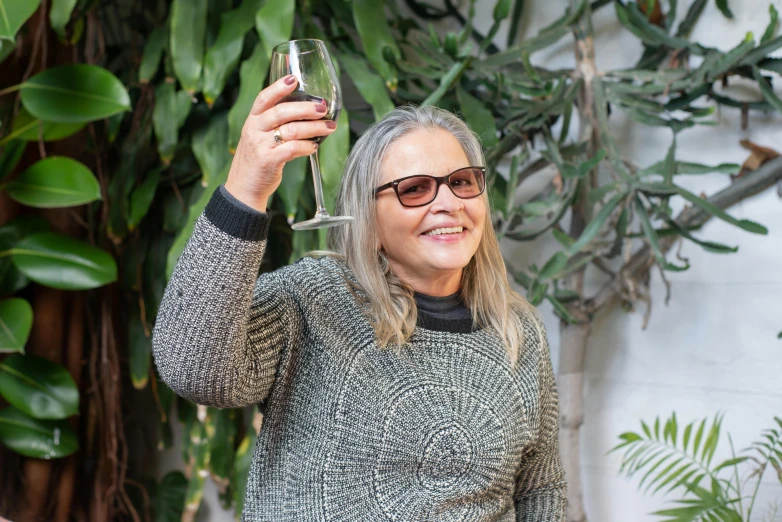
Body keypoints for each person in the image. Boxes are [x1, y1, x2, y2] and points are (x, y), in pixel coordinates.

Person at [152, 74, 567, 521]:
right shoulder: (314, 298)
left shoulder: (517, 331)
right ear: (368, 217)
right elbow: (193, 367)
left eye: (462, 182)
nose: (449, 203)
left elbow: (541, 489)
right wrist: (246, 191)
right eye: (415, 189)